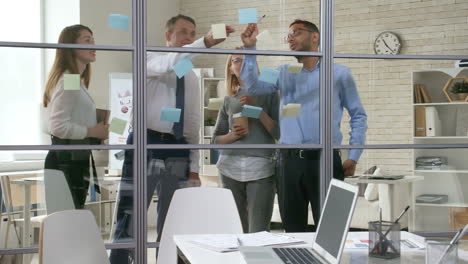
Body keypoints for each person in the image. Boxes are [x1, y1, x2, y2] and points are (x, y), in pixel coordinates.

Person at [109, 15, 234, 263]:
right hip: (146, 143)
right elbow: (168, 64)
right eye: (183, 32)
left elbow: (193, 123)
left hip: (178, 148)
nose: (188, 38)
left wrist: (194, 167)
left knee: (175, 214)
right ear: (168, 36)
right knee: (130, 212)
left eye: (192, 33)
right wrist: (206, 41)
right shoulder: (149, 57)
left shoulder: (190, 76)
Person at [240, 20, 367, 232]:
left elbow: (358, 115)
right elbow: (251, 86)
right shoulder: (282, 72)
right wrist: (250, 48)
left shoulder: (339, 74)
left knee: (331, 231)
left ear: (315, 36)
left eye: (296, 33)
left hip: (326, 160)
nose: (290, 38)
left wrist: (354, 154)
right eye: (288, 35)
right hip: (288, 164)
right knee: (292, 232)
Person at [212, 51, 279, 233]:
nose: (241, 63)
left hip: (261, 169)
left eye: (246, 60)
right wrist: (232, 136)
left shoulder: (271, 94)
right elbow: (215, 141)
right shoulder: (228, 100)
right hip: (229, 169)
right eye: (236, 60)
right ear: (231, 69)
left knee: (258, 231)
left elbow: (279, 133)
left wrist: (257, 109)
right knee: (235, 230)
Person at [43, 24, 109, 209]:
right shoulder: (70, 80)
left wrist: (95, 131)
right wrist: (92, 130)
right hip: (67, 163)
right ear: (70, 47)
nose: (94, 46)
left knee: (70, 218)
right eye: (87, 40)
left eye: (93, 40)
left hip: (74, 161)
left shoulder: (75, 80)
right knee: (67, 220)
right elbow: (57, 126)